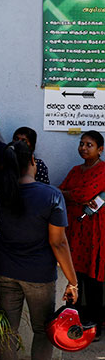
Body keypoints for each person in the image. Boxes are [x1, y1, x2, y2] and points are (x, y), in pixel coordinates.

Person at [0, 140, 78, 360]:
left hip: (4, 271)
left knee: (7, 330)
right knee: (42, 330)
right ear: (33, 161)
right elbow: (58, 242)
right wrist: (72, 281)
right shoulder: (50, 195)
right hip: (39, 275)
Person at [60, 130, 105, 334]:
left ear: (100, 150)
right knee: (75, 275)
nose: (84, 148)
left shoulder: (103, 170)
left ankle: (94, 324)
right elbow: (60, 191)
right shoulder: (76, 170)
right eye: (82, 144)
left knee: (93, 277)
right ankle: (74, 322)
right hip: (76, 230)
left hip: (95, 231)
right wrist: (73, 196)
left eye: (89, 145)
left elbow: (83, 194)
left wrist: (72, 195)